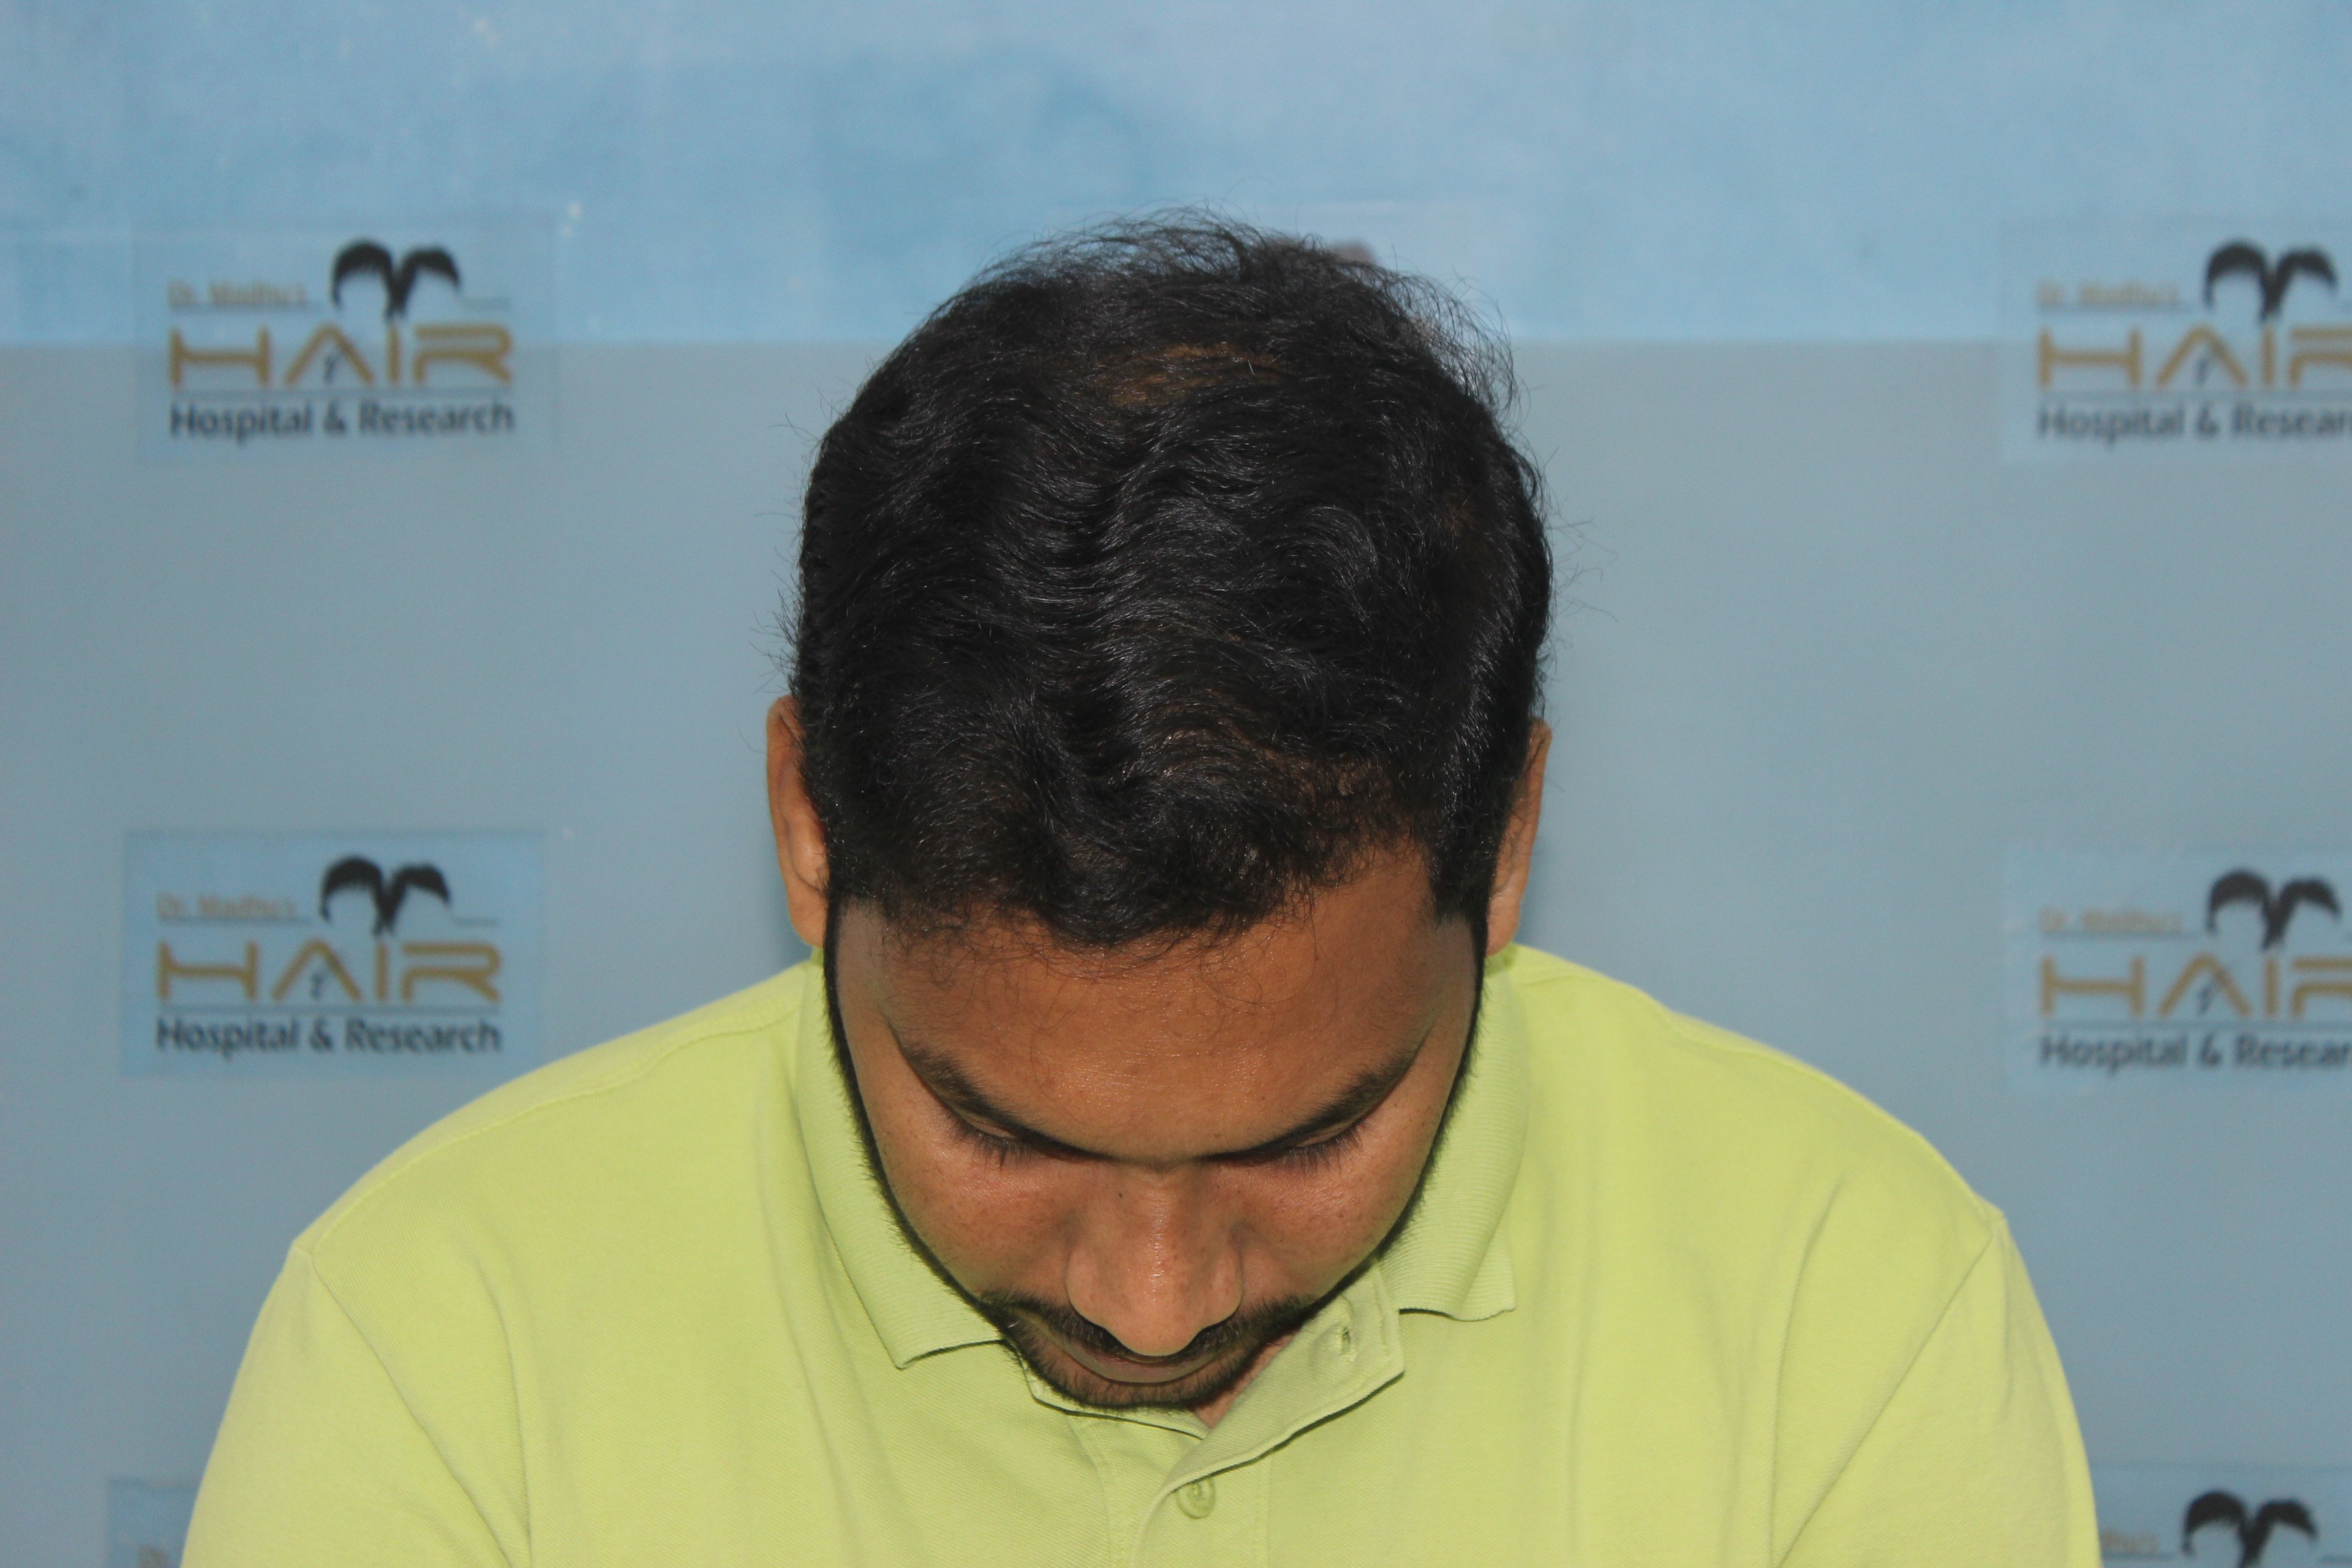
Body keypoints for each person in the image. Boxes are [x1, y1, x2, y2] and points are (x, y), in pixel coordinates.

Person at [185, 219, 2098, 1566]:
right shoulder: (447, 1344)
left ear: (1503, 846)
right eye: (1000, 1133)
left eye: (1310, 1136)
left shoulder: (1847, 1321)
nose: (1160, 1303)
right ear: (805, 827)